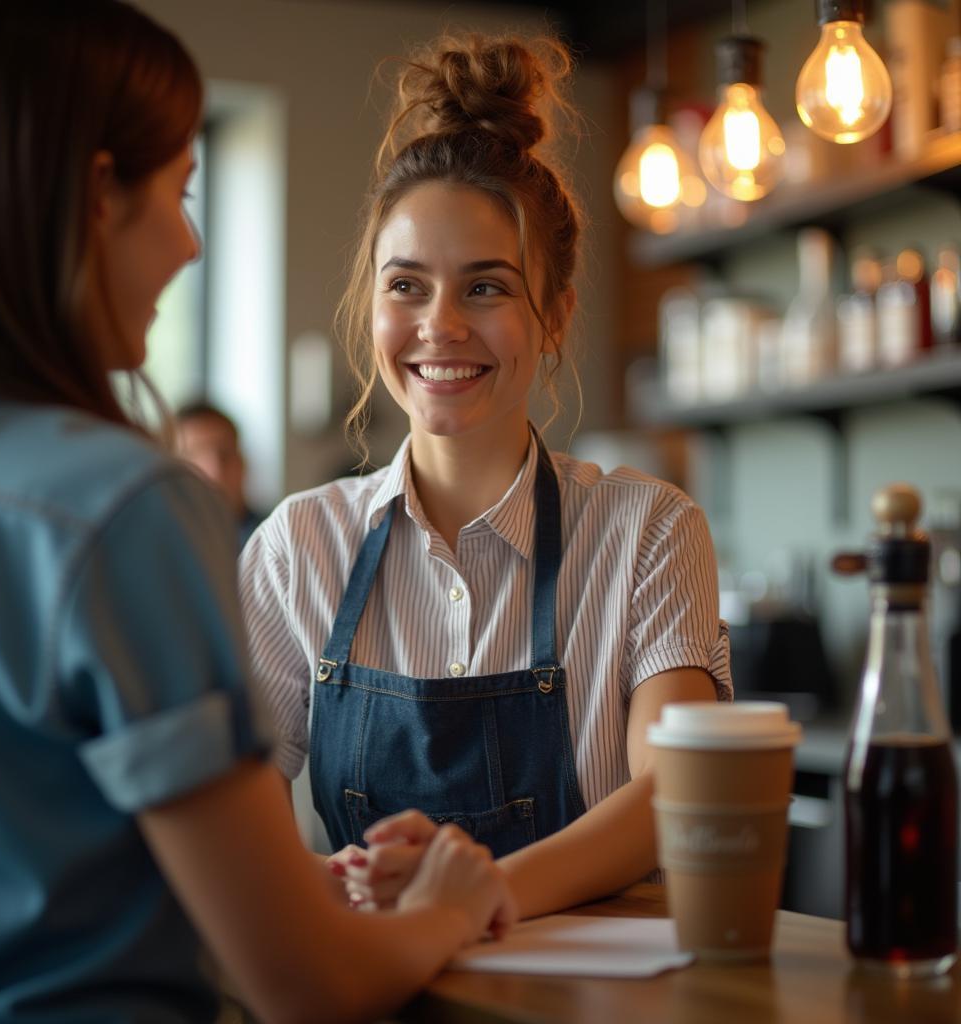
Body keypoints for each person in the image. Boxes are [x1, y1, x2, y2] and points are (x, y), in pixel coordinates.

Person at [0, 3, 516, 1022]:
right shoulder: (125, 510)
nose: (191, 243)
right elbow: (303, 983)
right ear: (95, 198)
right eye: (178, 191)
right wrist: (447, 906)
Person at [239, 32, 733, 922]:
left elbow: (674, 793)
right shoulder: (296, 546)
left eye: (487, 288)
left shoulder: (649, 531)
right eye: (406, 286)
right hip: (372, 991)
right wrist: (310, 890)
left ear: (555, 314)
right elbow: (237, 803)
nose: (440, 326)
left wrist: (475, 899)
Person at [175, 400, 265, 549]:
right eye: (195, 454)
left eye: (225, 454)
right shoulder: (159, 547)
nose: (215, 470)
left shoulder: (277, 540)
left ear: (243, 463)